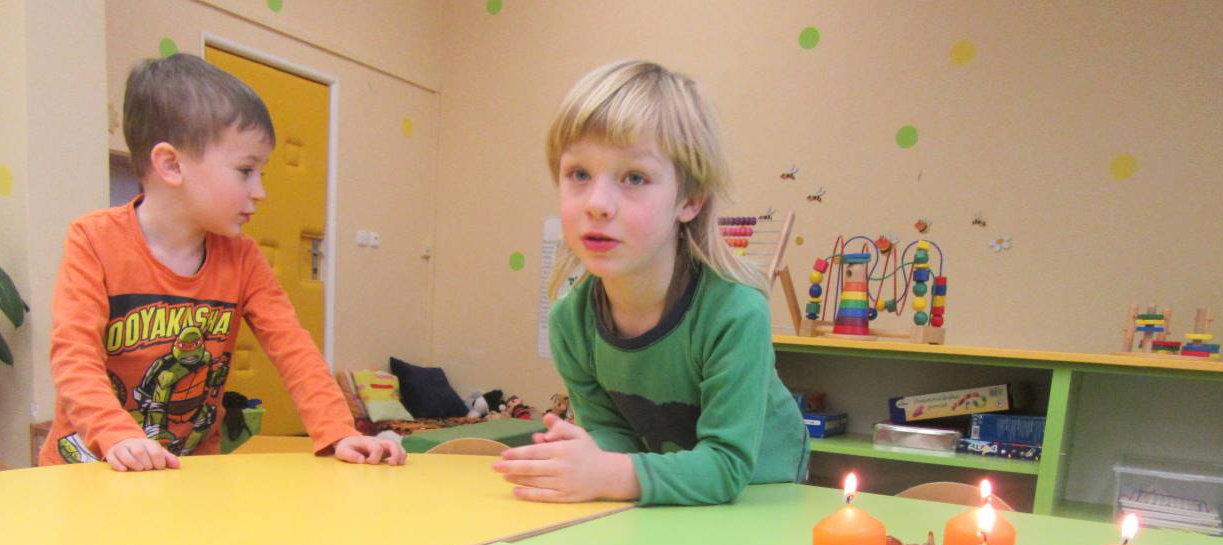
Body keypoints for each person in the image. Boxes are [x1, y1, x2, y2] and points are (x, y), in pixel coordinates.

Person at [40, 53, 404, 470]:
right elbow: (74, 356)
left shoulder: (242, 257)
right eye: (246, 171)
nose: (260, 191)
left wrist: (338, 430)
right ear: (171, 165)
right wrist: (116, 433)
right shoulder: (93, 240)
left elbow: (294, 349)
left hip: (186, 472)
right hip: (90, 468)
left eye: (261, 172)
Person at [494, 59, 807, 504]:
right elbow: (613, 434)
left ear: (690, 200)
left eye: (635, 177)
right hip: (669, 498)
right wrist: (583, 456)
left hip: (766, 493)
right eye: (579, 174)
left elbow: (726, 465)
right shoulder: (571, 322)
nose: (598, 204)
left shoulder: (735, 312)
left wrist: (608, 473)